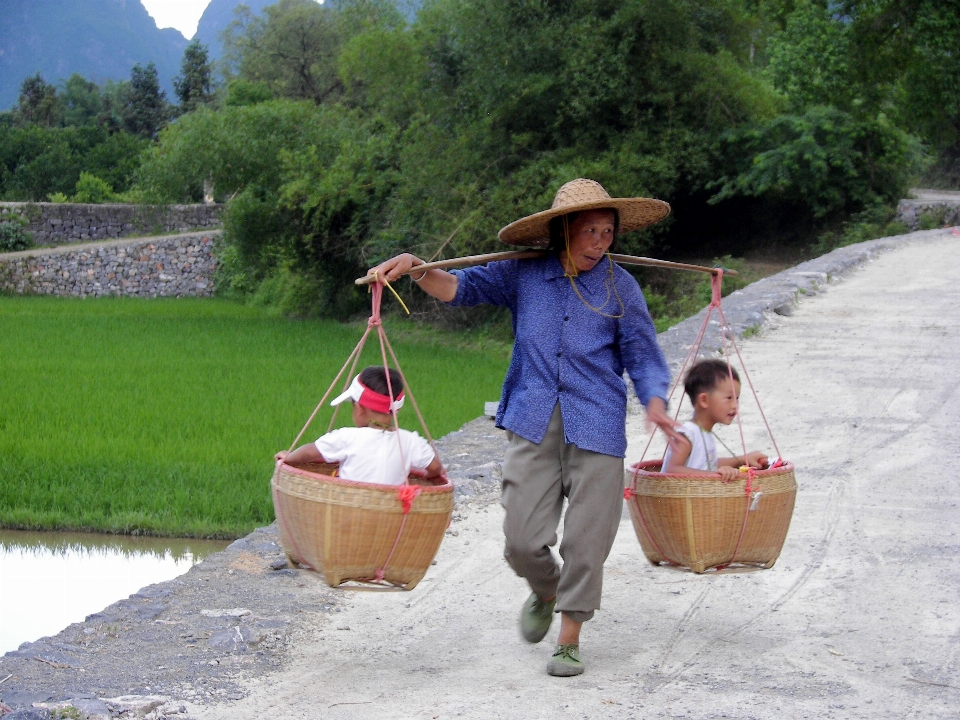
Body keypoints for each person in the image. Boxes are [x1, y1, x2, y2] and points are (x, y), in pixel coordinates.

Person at [369, 178, 681, 677]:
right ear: (562, 232)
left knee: (588, 537)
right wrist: (415, 268)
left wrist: (657, 402)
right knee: (521, 539)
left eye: (608, 233)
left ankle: (571, 635)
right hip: (532, 417)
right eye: (590, 232)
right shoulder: (524, 275)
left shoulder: (621, 287)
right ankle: (545, 587)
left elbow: (643, 356)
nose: (600, 243)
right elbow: (458, 288)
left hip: (596, 422)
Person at [275, 366, 443, 485]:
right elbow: (435, 467)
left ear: (360, 408)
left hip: (348, 512)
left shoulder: (347, 437)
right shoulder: (410, 440)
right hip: (391, 519)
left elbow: (311, 451)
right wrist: (429, 475)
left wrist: (288, 457)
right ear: (395, 411)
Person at [661, 359, 768, 481]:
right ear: (704, 400)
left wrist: (743, 459)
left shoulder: (705, 433)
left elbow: (708, 465)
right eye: (729, 398)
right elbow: (672, 470)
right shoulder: (688, 434)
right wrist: (713, 476)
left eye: (736, 398)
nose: (735, 405)